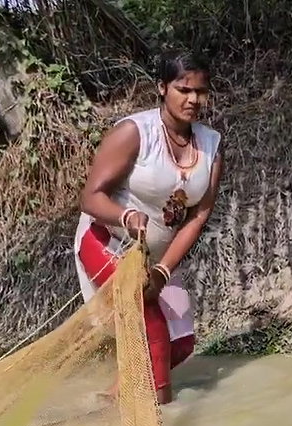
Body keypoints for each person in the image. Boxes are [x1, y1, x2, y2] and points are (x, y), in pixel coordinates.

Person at [72, 51, 224, 405]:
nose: (193, 100)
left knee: (181, 344)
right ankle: (159, 419)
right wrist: (125, 217)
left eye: (201, 92)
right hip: (107, 242)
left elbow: (198, 216)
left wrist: (162, 270)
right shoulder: (134, 133)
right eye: (183, 89)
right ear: (161, 88)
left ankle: (114, 399)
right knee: (150, 322)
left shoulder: (211, 146)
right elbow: (91, 198)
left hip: (158, 258)